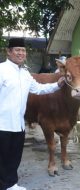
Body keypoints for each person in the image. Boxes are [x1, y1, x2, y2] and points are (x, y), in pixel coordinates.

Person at [0, 38, 65, 190]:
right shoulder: (1, 69)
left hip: (18, 124)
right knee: (2, 157)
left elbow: (38, 89)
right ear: (8, 52)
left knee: (14, 157)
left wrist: (58, 85)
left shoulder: (25, 73)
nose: (21, 53)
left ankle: (10, 184)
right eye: (17, 50)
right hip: (2, 123)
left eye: (23, 51)